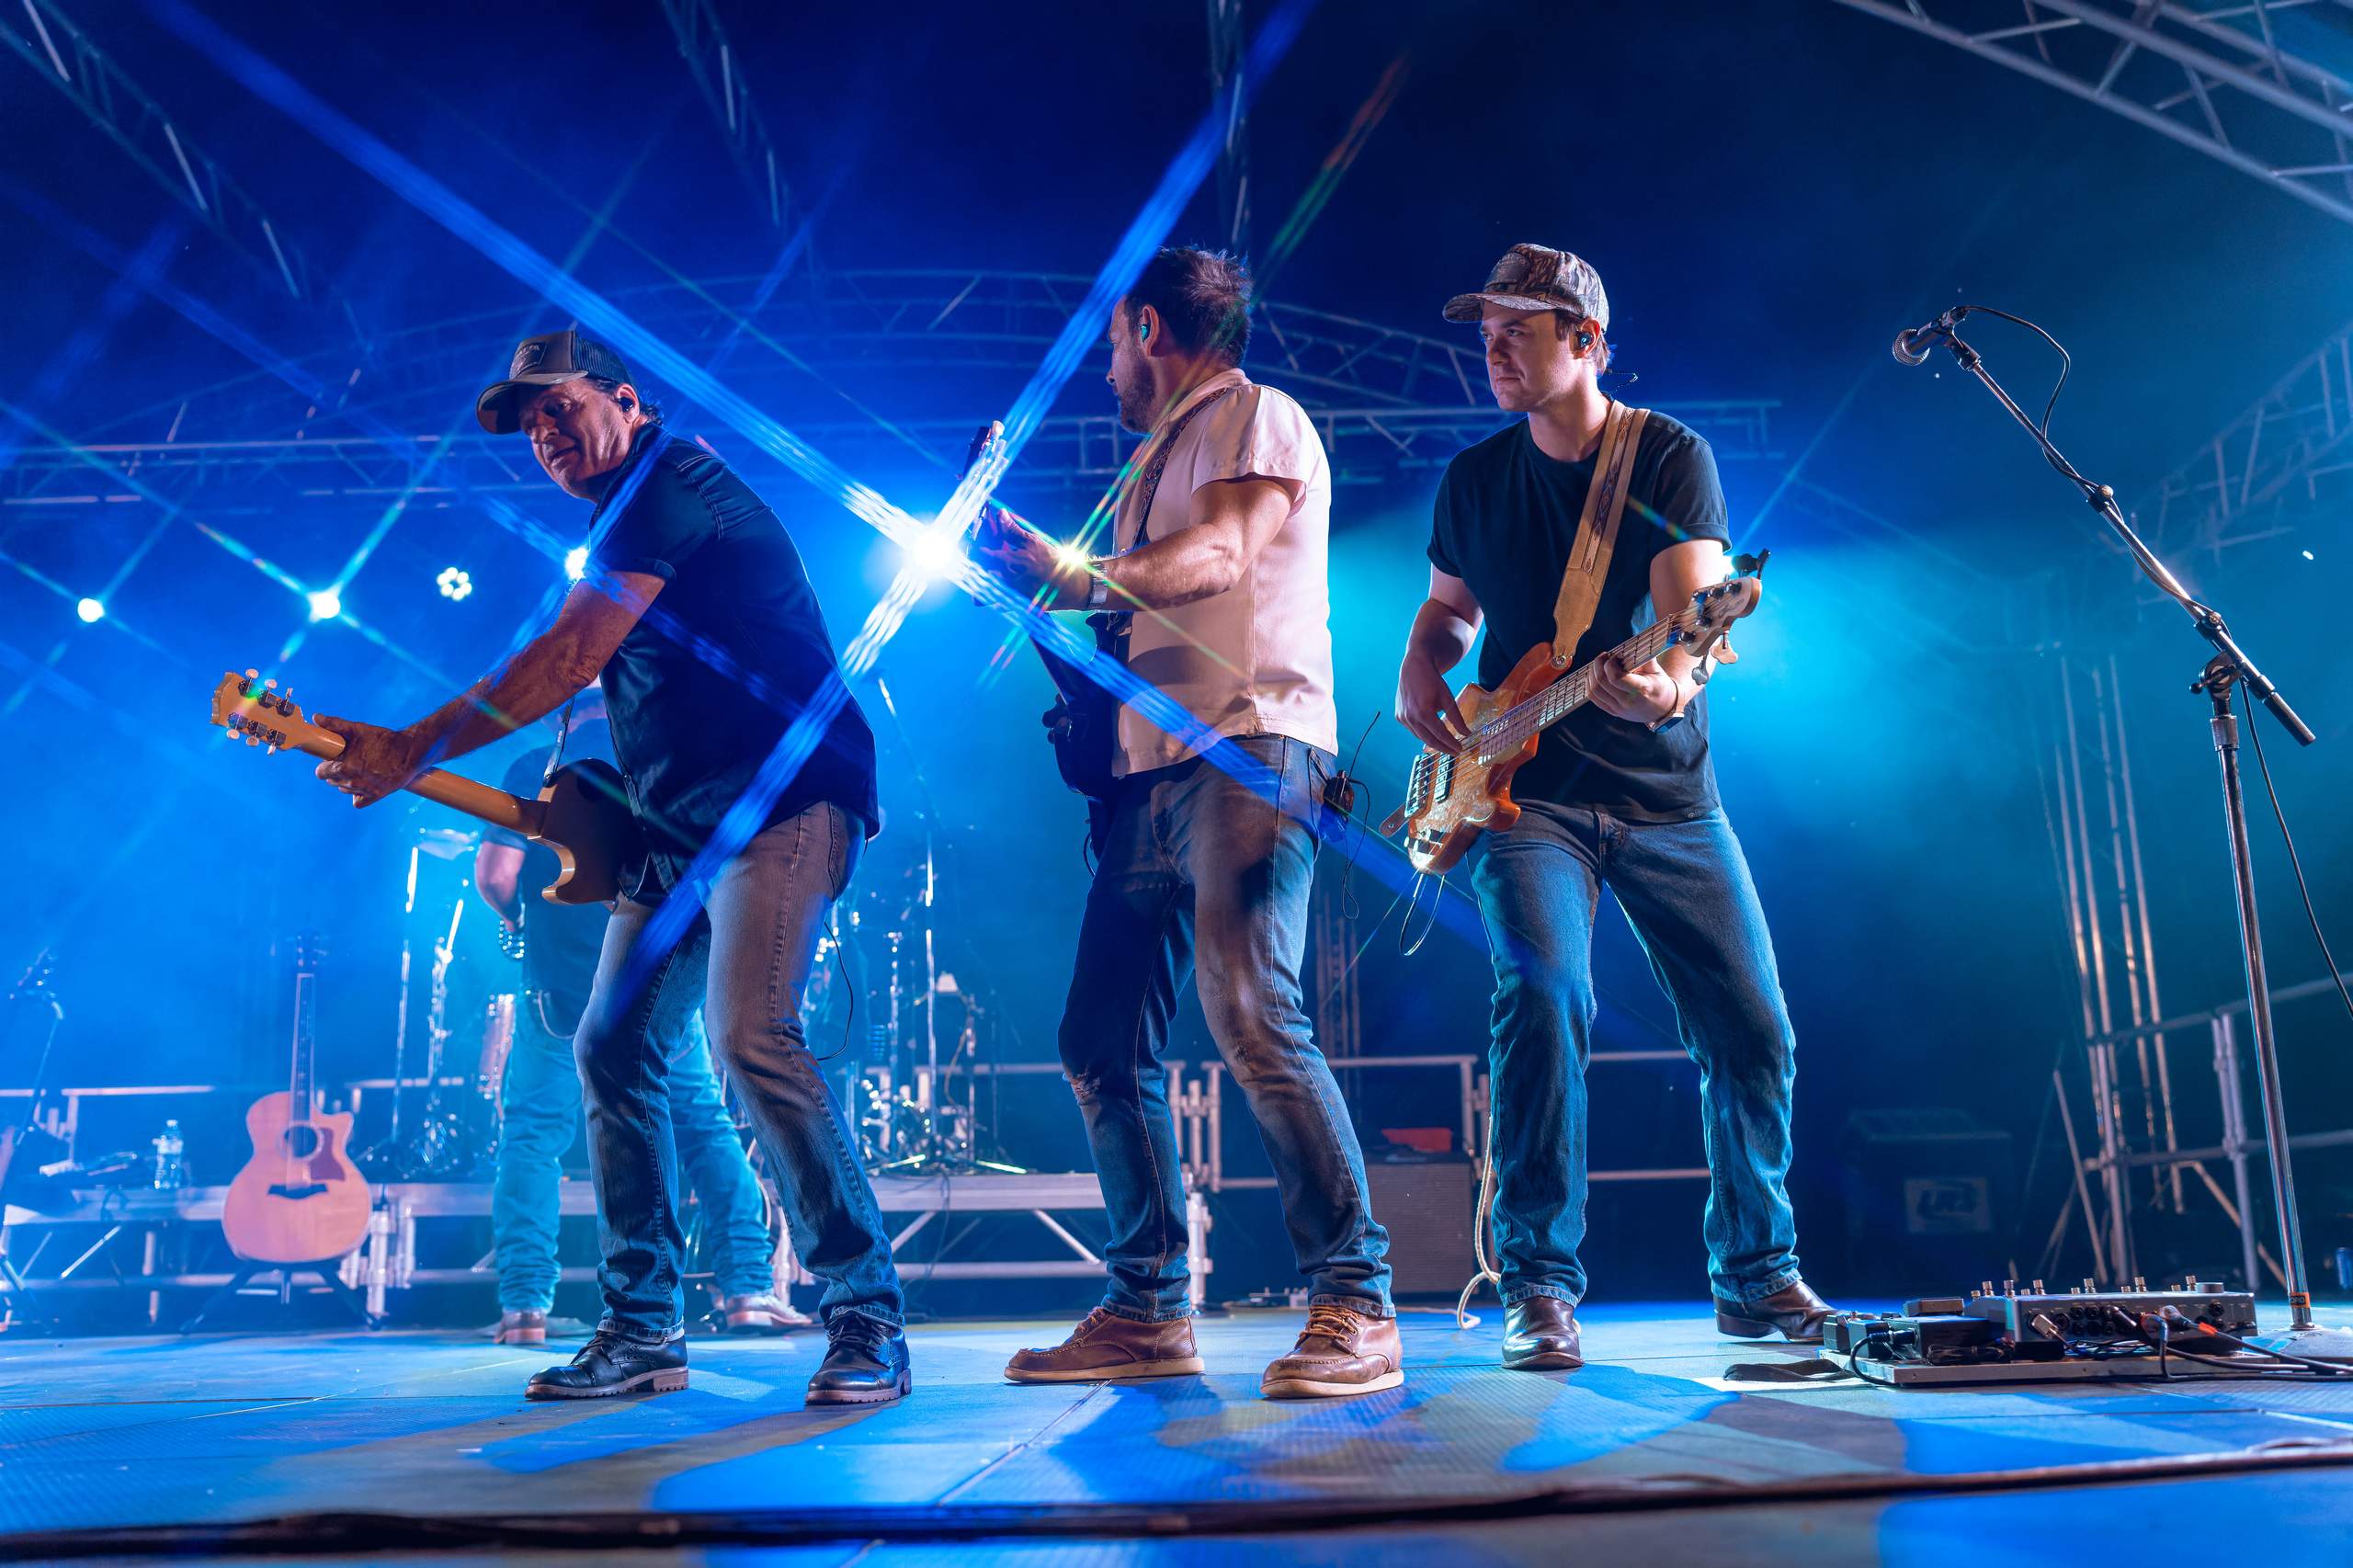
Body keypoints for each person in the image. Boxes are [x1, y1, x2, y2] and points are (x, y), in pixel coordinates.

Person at [315, 331, 908, 1404]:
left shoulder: (667, 486)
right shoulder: (620, 516)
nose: (544, 434)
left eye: (559, 407)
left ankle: (864, 1313)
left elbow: (567, 656)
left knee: (750, 1034)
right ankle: (643, 1327)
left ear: (626, 400)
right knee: (611, 1045)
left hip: (780, 799)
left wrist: (411, 744)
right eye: (527, 424)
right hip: (675, 831)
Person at [1393, 244, 1832, 1372]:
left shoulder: (1667, 454)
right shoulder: (1474, 477)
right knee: (1544, 1000)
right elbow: (1449, 614)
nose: (1491, 349)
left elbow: (1695, 621)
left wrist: (1669, 684)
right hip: (1521, 793)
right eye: (1484, 330)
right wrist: (1417, 670)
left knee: (1753, 1025)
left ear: (1585, 342)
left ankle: (1756, 1272)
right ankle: (1536, 1283)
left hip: (1665, 796)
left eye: (1517, 330)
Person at [977, 246, 1399, 1400]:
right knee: (1099, 1039)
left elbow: (1216, 560)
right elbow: (1131, 607)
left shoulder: (1253, 415)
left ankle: (1355, 1298)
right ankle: (1149, 1306)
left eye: (1114, 343)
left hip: (1248, 750)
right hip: (1150, 777)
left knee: (1251, 1007)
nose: (1107, 369)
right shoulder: (1151, 465)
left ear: (1147, 327)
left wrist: (1066, 572)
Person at [472, 684, 807, 1346]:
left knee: (534, 1137)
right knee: (702, 1127)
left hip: (559, 987)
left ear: (565, 708)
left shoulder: (535, 767)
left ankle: (524, 1310)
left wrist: (521, 924)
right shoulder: (665, 760)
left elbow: (495, 875)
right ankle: (747, 1290)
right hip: (654, 977)